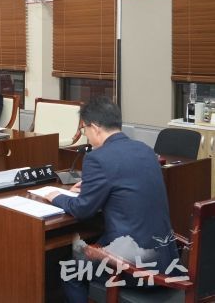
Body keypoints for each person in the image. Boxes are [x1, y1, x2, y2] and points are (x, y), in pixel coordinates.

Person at [44, 97, 179, 302]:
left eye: (84, 129)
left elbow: (82, 210)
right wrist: (92, 187)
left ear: (95, 127)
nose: (86, 136)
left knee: (69, 270)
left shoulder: (97, 158)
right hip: (166, 259)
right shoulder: (145, 149)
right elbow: (127, 186)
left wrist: (56, 196)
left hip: (134, 265)